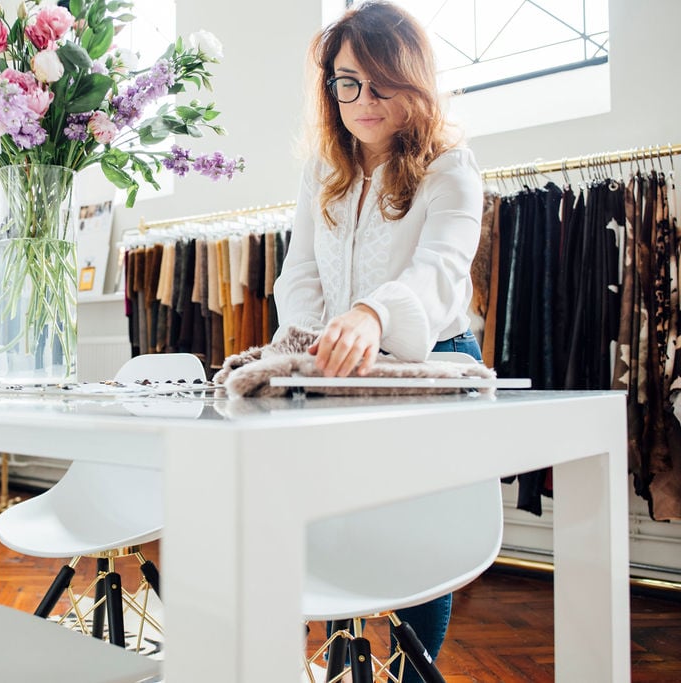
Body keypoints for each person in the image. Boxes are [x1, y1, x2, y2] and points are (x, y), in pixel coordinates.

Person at [273, 2, 482, 679]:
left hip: (433, 367)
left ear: (411, 79)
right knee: (331, 524)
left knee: (418, 549)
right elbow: (298, 273)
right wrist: (305, 344)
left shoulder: (449, 165)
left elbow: (442, 271)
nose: (363, 100)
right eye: (346, 82)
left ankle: (408, 671)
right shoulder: (321, 173)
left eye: (380, 82)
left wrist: (371, 313)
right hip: (339, 371)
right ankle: (341, 664)